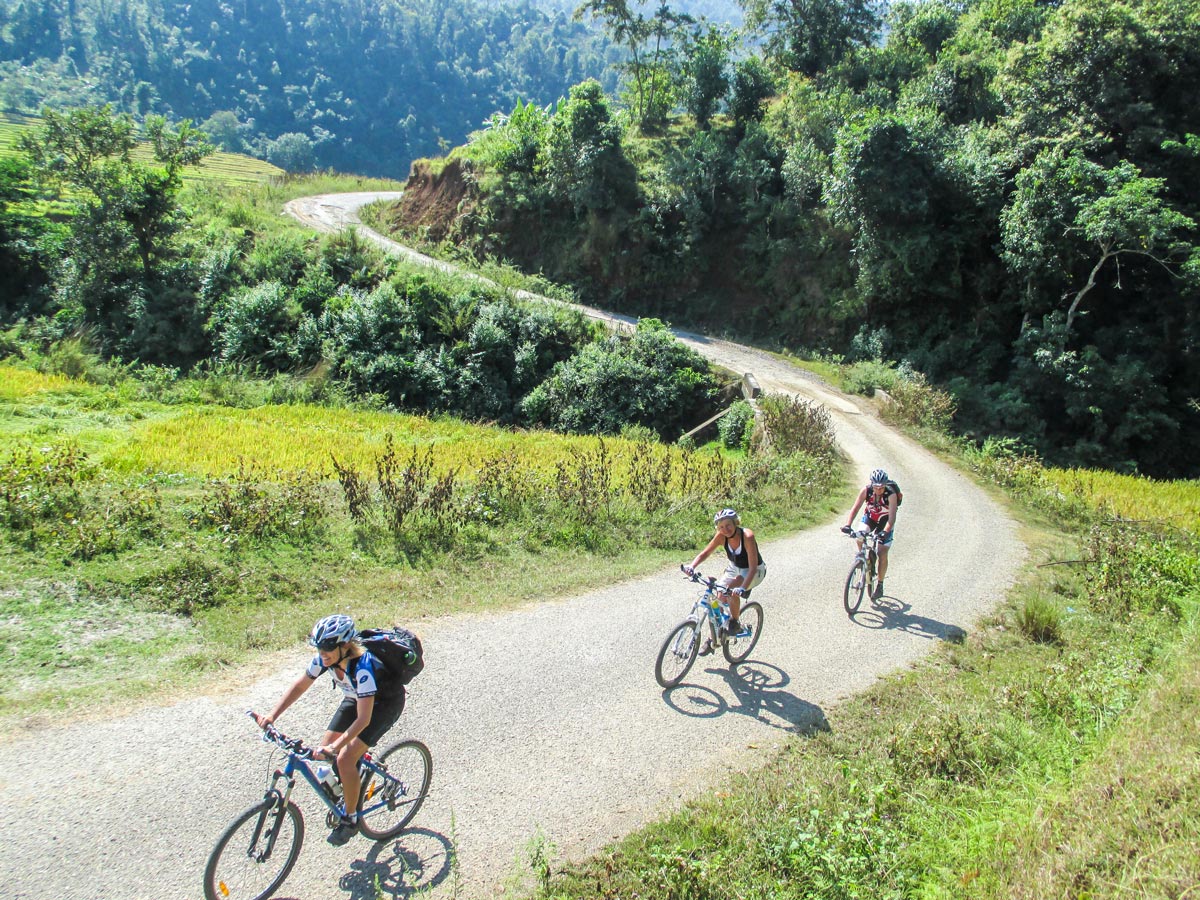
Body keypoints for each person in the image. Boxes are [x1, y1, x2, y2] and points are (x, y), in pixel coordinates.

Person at [252, 613, 406, 846]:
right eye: (318, 648)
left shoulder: (362, 669)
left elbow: (364, 720)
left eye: (326, 648)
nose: (321, 654)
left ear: (344, 646)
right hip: (356, 698)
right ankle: (356, 775)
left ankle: (351, 819)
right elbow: (300, 685)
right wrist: (272, 715)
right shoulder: (326, 660)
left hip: (384, 705)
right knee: (327, 753)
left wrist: (337, 747)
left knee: (343, 758)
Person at [684, 508, 766, 649]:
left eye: (728, 525)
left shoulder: (747, 536)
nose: (725, 529)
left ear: (735, 523)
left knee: (730, 591)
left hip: (755, 570)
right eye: (721, 527)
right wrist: (692, 566)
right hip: (735, 567)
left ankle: (735, 622)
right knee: (718, 597)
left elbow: (752, 568)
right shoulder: (721, 536)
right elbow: (705, 553)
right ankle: (716, 636)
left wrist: (741, 588)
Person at [841, 468, 899, 599]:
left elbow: (892, 517)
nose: (878, 490)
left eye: (881, 487)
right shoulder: (866, 490)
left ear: (885, 485)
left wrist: (885, 532)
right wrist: (848, 525)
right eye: (876, 487)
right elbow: (855, 508)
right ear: (872, 484)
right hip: (870, 517)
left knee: (882, 552)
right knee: (859, 536)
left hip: (885, 522)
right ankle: (863, 559)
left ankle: (880, 584)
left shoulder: (891, 494)